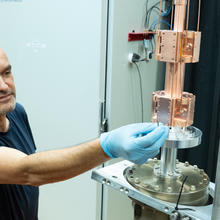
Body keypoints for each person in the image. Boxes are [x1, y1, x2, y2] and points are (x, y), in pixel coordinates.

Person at [0, 48, 169, 220]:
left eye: (6, 73)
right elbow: (28, 171)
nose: (4, 86)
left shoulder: (17, 113)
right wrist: (108, 146)